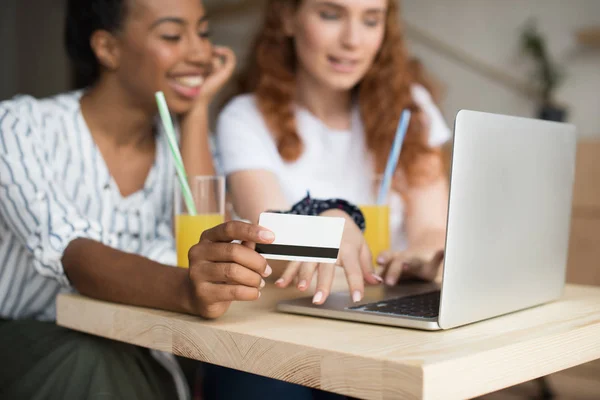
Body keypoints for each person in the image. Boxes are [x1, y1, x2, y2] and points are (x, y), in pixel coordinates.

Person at [0, 0, 346, 399]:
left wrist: (196, 112)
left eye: (202, 32)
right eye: (171, 35)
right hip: (38, 342)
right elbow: (72, 252)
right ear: (107, 49)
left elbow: (200, 246)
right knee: (89, 357)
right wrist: (185, 290)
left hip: (146, 352)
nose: (200, 53)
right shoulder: (20, 128)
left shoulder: (191, 151)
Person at [216, 0, 450, 302]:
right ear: (288, 17)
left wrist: (420, 256)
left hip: (395, 304)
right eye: (330, 15)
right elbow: (267, 237)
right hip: (299, 309)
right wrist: (329, 223)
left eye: (370, 20)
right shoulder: (244, 118)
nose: (352, 41)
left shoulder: (411, 107)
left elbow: (432, 227)